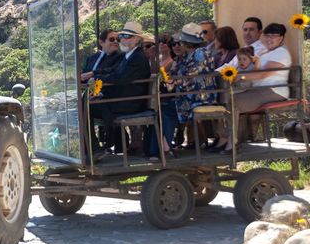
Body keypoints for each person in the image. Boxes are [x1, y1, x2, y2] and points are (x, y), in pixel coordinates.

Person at [215, 23, 291, 154]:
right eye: (267, 36)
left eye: (274, 36)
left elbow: (263, 74)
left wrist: (241, 77)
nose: (269, 39)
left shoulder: (281, 52)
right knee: (222, 99)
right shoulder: (263, 51)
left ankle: (232, 142)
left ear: (281, 38)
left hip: (273, 90)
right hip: (256, 90)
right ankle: (223, 137)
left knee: (233, 102)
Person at [149, 23, 216, 156]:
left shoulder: (201, 53)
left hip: (200, 95)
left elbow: (194, 75)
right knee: (161, 108)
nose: (178, 44)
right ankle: (162, 148)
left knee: (167, 110)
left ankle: (164, 148)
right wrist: (170, 79)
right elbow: (174, 72)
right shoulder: (185, 55)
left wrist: (175, 81)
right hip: (187, 93)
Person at [90, 22, 151, 158]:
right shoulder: (129, 55)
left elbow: (119, 77)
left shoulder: (137, 58)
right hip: (123, 100)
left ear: (136, 39)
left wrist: (98, 79)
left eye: (126, 36)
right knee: (87, 106)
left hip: (130, 103)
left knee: (86, 109)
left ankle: (95, 148)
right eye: (121, 36)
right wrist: (95, 75)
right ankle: (95, 147)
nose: (121, 39)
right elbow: (113, 70)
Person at [81, 29, 124, 154]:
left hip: (109, 98)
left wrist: (93, 79)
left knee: (83, 108)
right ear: (101, 42)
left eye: (118, 39)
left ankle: (94, 148)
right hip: (92, 97)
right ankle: (86, 147)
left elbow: (112, 74)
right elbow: (84, 77)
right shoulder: (92, 59)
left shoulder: (119, 57)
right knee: (78, 107)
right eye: (111, 39)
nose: (115, 42)